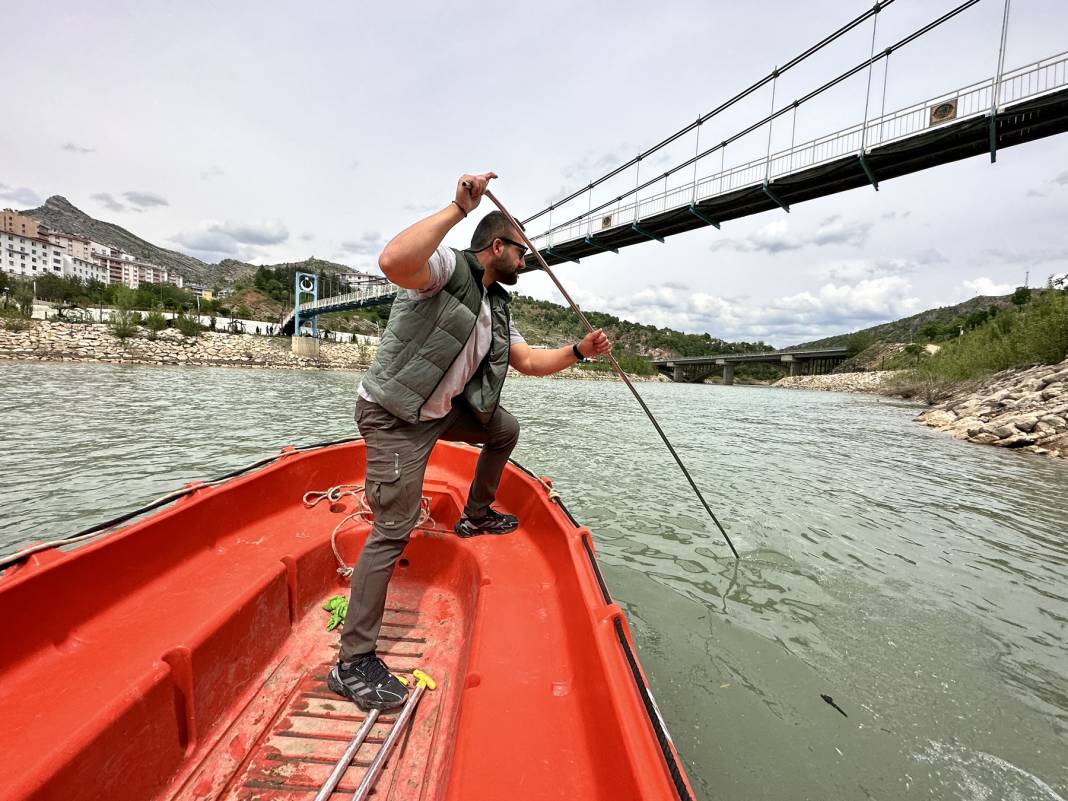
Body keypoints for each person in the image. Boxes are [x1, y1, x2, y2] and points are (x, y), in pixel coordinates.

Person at [328, 172, 612, 711]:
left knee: (504, 428)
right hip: (395, 416)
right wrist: (458, 209)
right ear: (497, 247)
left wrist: (579, 351)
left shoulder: (496, 306)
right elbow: (393, 262)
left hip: (436, 413)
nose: (526, 261)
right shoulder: (446, 270)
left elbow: (530, 363)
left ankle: (475, 515)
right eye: (522, 252)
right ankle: (352, 662)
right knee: (393, 527)